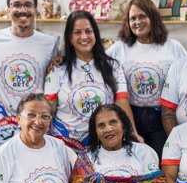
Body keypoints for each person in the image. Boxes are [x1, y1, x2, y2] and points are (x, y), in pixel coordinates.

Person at [45, 10, 138, 151]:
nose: (84, 37)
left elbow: (122, 102)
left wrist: (133, 133)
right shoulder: (58, 68)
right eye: (77, 32)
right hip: (65, 146)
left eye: (89, 31)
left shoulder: (113, 66)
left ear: (95, 34)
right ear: (69, 38)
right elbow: (49, 108)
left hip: (102, 145)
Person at [107, 0, 187, 157]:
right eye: (133, 18)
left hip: (162, 118)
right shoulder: (119, 48)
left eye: (142, 16)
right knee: (133, 163)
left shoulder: (172, 47)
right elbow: (93, 63)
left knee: (160, 163)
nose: (138, 22)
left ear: (153, 17)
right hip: (129, 117)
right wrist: (61, 60)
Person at [0, 0, 57, 147]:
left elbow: (53, 83)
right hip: (4, 127)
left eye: (28, 5)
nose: (22, 10)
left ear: (36, 9)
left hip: (37, 127)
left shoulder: (49, 43)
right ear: (8, 9)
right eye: (16, 4)